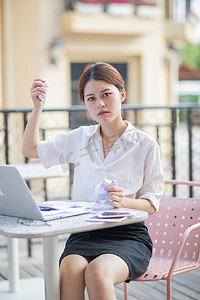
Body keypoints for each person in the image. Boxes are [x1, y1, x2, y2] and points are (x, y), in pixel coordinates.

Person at [22, 62, 164, 300]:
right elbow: (30, 149)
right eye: (91, 98)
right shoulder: (80, 138)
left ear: (122, 94)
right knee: (70, 270)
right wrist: (38, 107)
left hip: (127, 235)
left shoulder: (145, 144)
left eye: (106, 94)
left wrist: (124, 201)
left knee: (98, 272)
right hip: (84, 233)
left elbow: (151, 204)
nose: (99, 104)